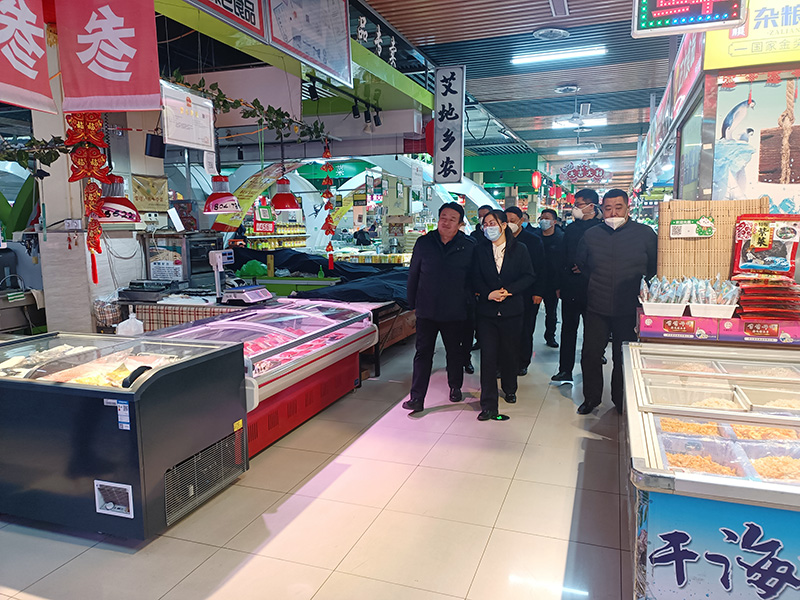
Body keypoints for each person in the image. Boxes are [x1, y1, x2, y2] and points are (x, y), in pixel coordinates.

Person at [576, 189, 657, 415]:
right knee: (591, 354)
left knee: (623, 356)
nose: (613, 213)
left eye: (618, 207)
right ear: (601, 209)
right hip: (597, 304)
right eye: (608, 208)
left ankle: (620, 399)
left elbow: (653, 267)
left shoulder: (645, 234)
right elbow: (582, 264)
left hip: (629, 306)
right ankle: (591, 398)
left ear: (628, 208)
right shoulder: (591, 235)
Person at [404, 202, 476, 413]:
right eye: (443, 217)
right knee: (422, 353)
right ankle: (417, 397)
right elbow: (414, 275)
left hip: (455, 310)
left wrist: (468, 304)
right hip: (427, 309)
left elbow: (474, 279)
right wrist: (412, 304)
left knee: (455, 352)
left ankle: (455, 386)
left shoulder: (469, 246)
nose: (446, 222)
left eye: (452, 219)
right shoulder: (424, 242)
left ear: (460, 224)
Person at [473, 210, 534, 421]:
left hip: (512, 310)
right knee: (488, 357)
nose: (488, 227)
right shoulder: (479, 250)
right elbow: (473, 277)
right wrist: (487, 293)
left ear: (503, 225)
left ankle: (510, 388)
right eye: (485, 224)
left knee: (509, 352)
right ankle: (489, 404)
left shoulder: (520, 249)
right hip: (487, 312)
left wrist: (509, 291)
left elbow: (528, 276)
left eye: (493, 223)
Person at [552, 189, 602, 385]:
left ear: (591, 206)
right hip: (570, 286)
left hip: (593, 287)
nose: (575, 208)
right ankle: (565, 369)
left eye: (579, 205)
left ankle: (591, 366)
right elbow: (561, 256)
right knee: (568, 329)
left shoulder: (601, 228)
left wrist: (586, 267)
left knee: (592, 332)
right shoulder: (571, 229)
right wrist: (559, 284)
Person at [505, 206, 545, 376]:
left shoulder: (533, 240)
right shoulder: (500, 239)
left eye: (512, 221)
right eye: (506, 221)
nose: (509, 224)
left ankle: (522, 362)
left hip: (528, 292)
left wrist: (539, 292)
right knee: (506, 330)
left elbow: (541, 268)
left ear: (521, 221)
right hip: (506, 292)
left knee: (525, 328)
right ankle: (504, 363)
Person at [533, 208, 565, 348]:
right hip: (536, 280)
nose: (543, 221)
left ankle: (550, 336)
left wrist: (560, 285)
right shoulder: (534, 237)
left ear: (554, 221)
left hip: (552, 281)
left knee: (551, 312)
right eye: (542, 218)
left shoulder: (561, 238)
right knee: (531, 312)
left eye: (547, 218)